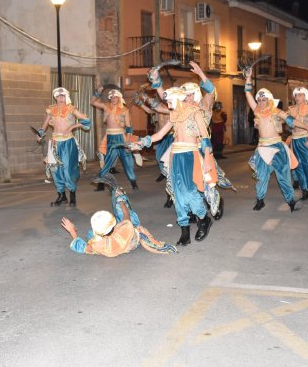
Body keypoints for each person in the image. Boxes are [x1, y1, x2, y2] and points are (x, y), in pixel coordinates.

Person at [135, 87, 216, 246]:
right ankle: (184, 231)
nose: (169, 104)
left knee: (189, 191)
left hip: (189, 154)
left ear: (178, 98)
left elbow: (205, 137)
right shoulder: (174, 114)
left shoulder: (195, 112)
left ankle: (204, 218)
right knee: (177, 194)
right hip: (175, 155)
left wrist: (207, 158)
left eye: (171, 101)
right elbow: (159, 135)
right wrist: (143, 142)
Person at [244, 69, 308, 212]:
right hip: (262, 148)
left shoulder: (277, 112)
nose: (262, 102)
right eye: (260, 99)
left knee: (283, 176)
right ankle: (260, 200)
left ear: (269, 100)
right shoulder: (257, 110)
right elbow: (247, 93)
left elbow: (293, 121)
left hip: (277, 147)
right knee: (261, 176)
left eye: (264, 99)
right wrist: (249, 77)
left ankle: (290, 201)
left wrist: (307, 127)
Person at [61, 175, 177, 256]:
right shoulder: (124, 230)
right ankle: (116, 190)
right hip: (131, 236)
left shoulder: (99, 245)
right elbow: (126, 215)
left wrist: (72, 231)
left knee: (90, 234)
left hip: (114, 239)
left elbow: (83, 247)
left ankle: (114, 190)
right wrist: (120, 199)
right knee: (121, 207)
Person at [38, 87, 90, 207]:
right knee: (55, 170)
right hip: (55, 143)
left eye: (63, 96)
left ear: (66, 96)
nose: (61, 98)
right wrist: (40, 134)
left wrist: (71, 127)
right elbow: (44, 125)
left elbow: (86, 121)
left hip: (68, 143)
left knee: (68, 170)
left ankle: (72, 195)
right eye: (58, 96)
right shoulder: (51, 110)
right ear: (55, 97)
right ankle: (61, 196)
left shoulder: (71, 109)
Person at [91, 87, 138, 190]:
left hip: (121, 137)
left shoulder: (125, 110)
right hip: (110, 137)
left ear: (119, 98)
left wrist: (128, 142)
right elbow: (93, 101)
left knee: (127, 161)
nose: (113, 98)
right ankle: (101, 184)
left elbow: (129, 127)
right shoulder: (106, 106)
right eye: (111, 97)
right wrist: (98, 92)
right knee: (107, 161)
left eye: (115, 97)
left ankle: (133, 182)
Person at [287, 87, 308, 200]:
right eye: (296, 95)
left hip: (306, 140)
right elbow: (283, 121)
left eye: (300, 95)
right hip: (295, 141)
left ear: (305, 96)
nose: (297, 97)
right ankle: (305, 190)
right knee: (298, 166)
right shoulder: (290, 109)